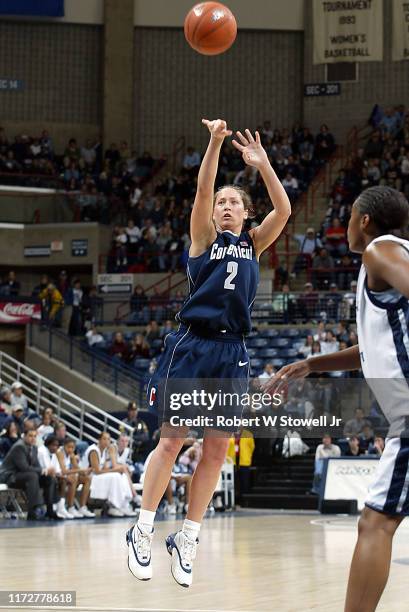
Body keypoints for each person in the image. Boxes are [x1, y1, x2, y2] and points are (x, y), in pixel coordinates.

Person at [126, 119, 291, 587]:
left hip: (232, 350)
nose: (225, 205)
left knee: (217, 449)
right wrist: (215, 142)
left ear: (245, 213)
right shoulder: (204, 241)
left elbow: (284, 208)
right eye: (221, 201)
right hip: (192, 345)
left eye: (234, 201)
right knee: (172, 439)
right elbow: (201, 190)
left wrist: (262, 165)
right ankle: (142, 528)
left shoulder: (255, 244)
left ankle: (189, 536)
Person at [263, 186, 409, 612]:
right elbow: (372, 347)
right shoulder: (385, 260)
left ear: (364, 220)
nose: (344, 224)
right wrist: (313, 364)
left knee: (375, 524)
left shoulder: (379, 251)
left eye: (349, 215)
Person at [0, 428, 60, 520]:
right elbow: (24, 467)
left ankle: (50, 510)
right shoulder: (19, 447)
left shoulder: (34, 448)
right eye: (30, 436)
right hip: (10, 476)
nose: (33, 438)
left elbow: (36, 466)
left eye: (35, 436)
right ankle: (32, 511)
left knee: (49, 478)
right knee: (32, 476)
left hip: (23, 476)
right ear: (24, 436)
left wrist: (46, 472)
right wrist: (44, 470)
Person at [81, 431, 135, 517]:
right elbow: (97, 471)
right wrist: (115, 470)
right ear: (99, 440)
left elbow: (105, 468)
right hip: (88, 476)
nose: (107, 441)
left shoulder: (105, 451)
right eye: (104, 439)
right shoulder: (94, 450)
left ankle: (123, 504)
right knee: (116, 475)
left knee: (121, 475)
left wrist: (117, 469)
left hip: (96, 476)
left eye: (109, 439)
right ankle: (113, 505)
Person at [56, 437, 95, 518]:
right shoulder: (59, 452)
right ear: (64, 446)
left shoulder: (71, 454)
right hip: (58, 476)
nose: (71, 449)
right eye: (69, 447)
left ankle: (82, 507)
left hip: (67, 476)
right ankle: (70, 507)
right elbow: (63, 471)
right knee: (74, 478)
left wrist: (85, 471)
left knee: (87, 478)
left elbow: (77, 468)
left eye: (73, 447)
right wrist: (80, 470)